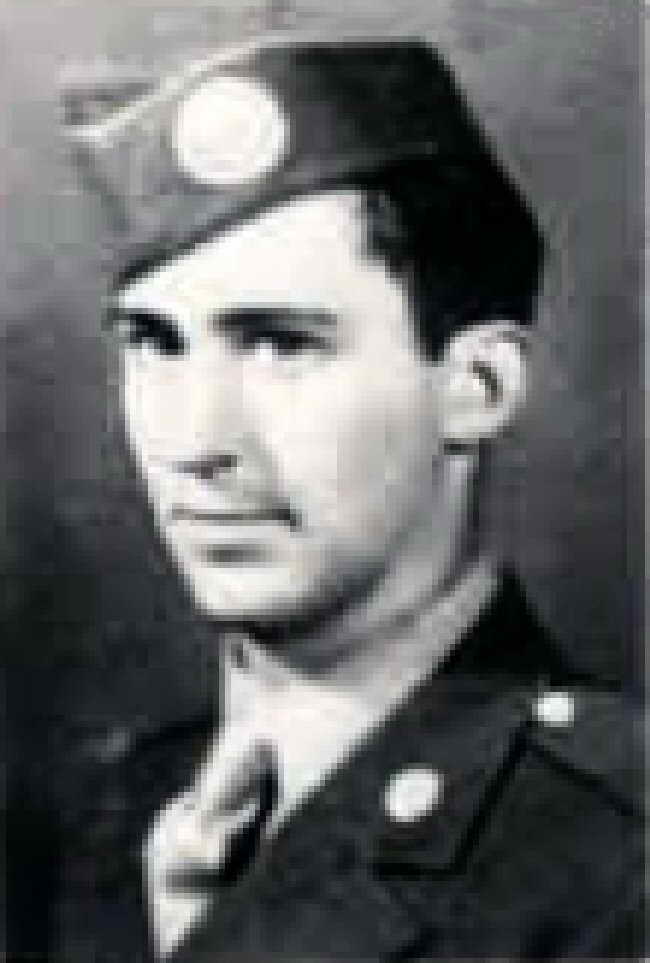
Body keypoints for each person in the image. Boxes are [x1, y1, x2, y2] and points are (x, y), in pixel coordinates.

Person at [57, 36, 643, 961]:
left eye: (281, 344)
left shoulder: (614, 856)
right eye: (154, 343)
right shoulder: (124, 811)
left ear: (478, 387)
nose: (196, 442)